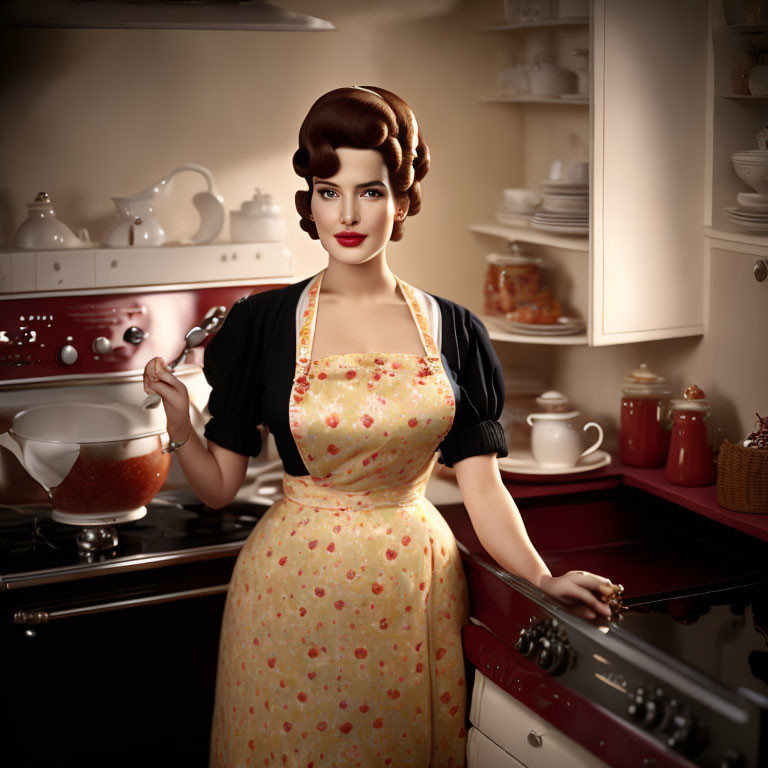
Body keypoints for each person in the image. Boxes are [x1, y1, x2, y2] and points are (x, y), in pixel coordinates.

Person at [143, 85, 617, 768]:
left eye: (370, 191)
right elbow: (219, 490)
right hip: (287, 598)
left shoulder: (455, 330)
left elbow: (484, 490)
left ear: (401, 199)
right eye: (329, 190)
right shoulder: (264, 325)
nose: (348, 213)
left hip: (412, 597)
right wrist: (182, 421)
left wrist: (542, 579)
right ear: (308, 199)